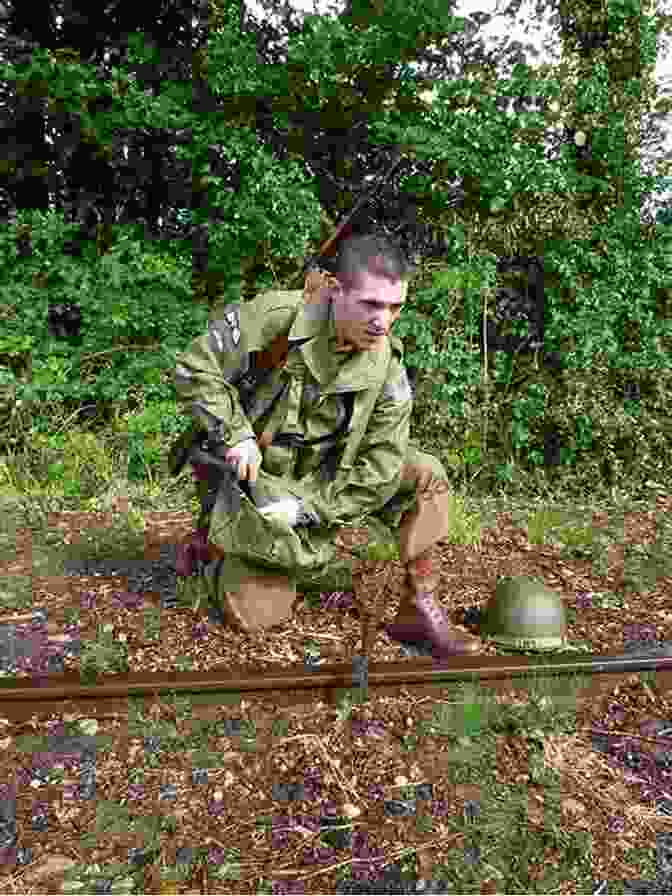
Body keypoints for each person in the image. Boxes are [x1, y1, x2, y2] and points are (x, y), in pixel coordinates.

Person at [172, 231, 482, 656]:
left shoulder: (387, 365)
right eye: (371, 304)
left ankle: (418, 607)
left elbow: (383, 466)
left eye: (395, 308)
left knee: (425, 474)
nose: (383, 321)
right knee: (257, 617)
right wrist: (236, 434)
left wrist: (309, 509)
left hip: (322, 482)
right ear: (336, 291)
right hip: (261, 478)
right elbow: (194, 370)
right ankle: (212, 548)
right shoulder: (277, 318)